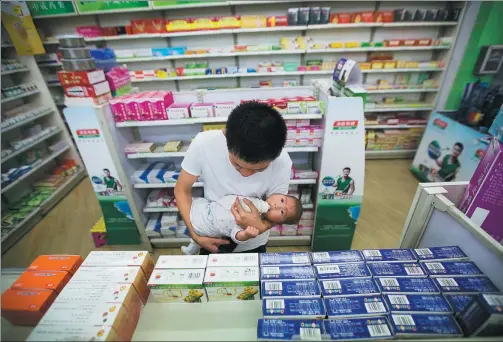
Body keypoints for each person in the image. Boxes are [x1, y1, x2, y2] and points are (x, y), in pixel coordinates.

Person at [174, 102, 292, 254]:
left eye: (260, 169)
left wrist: (259, 227)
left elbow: (278, 211)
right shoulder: (204, 144)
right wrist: (195, 235)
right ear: (225, 135)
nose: (246, 174)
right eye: (237, 165)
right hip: (210, 236)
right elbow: (182, 190)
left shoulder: (282, 161)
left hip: (253, 243)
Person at [181, 193, 303, 255]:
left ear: (278, 222)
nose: (277, 206)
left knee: (199, 231)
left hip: (209, 227)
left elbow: (235, 234)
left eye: (282, 212)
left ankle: (192, 247)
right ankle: (192, 245)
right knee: (196, 223)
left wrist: (246, 234)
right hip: (207, 209)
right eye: (282, 200)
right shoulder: (253, 200)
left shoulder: (255, 223)